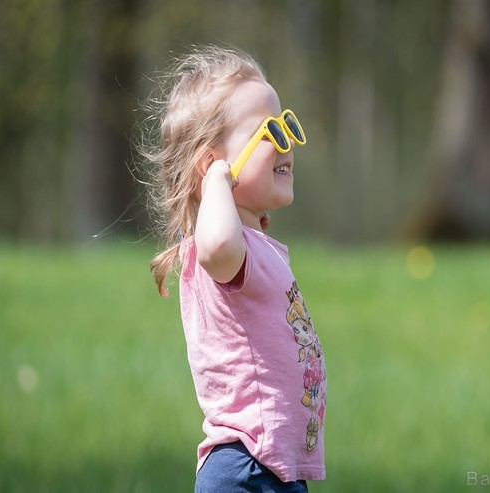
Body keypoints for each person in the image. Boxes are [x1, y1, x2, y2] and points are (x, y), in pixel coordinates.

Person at [138, 45, 327, 492]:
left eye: (288, 125)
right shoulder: (224, 248)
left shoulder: (248, 245)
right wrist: (218, 183)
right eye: (271, 133)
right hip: (246, 467)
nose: (289, 142)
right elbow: (217, 243)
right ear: (212, 166)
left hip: (273, 469)